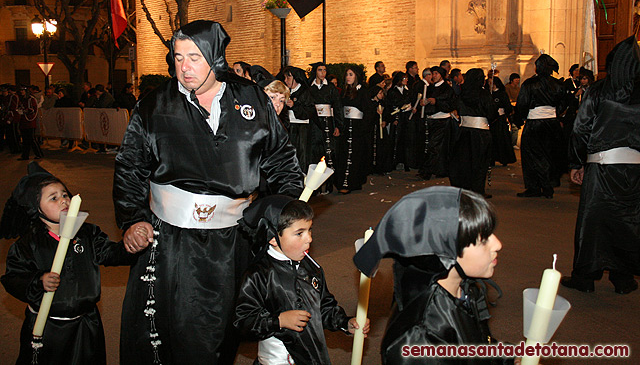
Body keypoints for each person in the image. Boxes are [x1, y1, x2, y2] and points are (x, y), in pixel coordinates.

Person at [113, 20, 304, 365]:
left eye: (194, 57)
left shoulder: (252, 99)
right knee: (181, 332)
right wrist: (132, 219)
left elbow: (282, 163)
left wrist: (282, 218)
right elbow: (130, 168)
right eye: (178, 57)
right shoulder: (154, 106)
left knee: (226, 328)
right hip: (172, 242)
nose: (184, 67)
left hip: (236, 240)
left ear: (215, 58)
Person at [353, 186, 513, 365]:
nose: (497, 244)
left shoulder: (465, 289)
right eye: (483, 240)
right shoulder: (420, 339)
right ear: (445, 252)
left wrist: (508, 359)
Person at [1, 162, 133, 365]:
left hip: (86, 323)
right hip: (49, 327)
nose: (63, 200)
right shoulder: (29, 243)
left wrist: (130, 247)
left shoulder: (86, 233)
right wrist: (38, 281)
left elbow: (109, 253)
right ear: (36, 208)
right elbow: (13, 277)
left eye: (65, 194)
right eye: (53, 198)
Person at [234, 196, 369, 364]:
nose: (309, 238)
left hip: (312, 357)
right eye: (299, 233)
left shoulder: (312, 268)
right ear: (273, 238)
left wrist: (345, 323)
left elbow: (324, 307)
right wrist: (279, 321)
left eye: (309, 230)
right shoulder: (259, 275)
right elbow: (243, 322)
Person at [561, 36, 640, 295]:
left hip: (602, 167)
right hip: (635, 170)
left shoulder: (598, 90)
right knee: (628, 221)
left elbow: (580, 128)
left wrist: (576, 162)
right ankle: (623, 276)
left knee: (593, 221)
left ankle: (586, 276)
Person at [514, 54, 565, 199]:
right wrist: (555, 113)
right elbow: (562, 103)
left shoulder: (529, 84)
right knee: (550, 155)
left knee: (531, 155)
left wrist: (519, 120)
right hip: (552, 124)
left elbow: (522, 104)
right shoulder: (558, 84)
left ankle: (534, 187)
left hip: (534, 124)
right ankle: (548, 185)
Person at [448, 68, 498, 197]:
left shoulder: (462, 94)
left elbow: (456, 107)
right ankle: (477, 190)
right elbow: (492, 113)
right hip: (480, 133)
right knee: (480, 163)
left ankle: (464, 188)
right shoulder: (484, 94)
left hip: (464, 131)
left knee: (464, 162)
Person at [308, 62, 343, 192]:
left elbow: (338, 107)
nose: (322, 73)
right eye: (320, 70)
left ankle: (330, 184)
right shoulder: (309, 88)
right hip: (314, 125)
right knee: (315, 154)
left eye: (324, 70)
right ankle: (315, 187)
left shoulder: (331, 89)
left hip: (328, 123)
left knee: (329, 153)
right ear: (315, 72)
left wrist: (338, 125)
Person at [417, 66, 455, 180]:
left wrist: (436, 102)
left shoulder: (447, 89)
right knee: (434, 146)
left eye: (436, 74)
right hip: (431, 120)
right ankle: (439, 170)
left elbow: (450, 105)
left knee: (435, 146)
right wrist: (422, 103)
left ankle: (428, 170)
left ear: (441, 75)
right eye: (432, 74)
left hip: (442, 120)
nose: (433, 76)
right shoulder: (429, 88)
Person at [334, 67, 368, 193]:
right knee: (343, 153)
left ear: (356, 76)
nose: (348, 77)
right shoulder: (344, 91)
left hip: (357, 128)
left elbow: (367, 111)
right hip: (346, 126)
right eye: (347, 75)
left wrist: (363, 128)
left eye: (350, 74)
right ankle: (343, 182)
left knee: (354, 154)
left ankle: (352, 182)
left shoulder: (363, 91)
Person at [283, 66, 315, 173]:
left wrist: (294, 106)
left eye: (288, 78)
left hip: (302, 129)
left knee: (302, 157)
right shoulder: (286, 91)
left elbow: (309, 112)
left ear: (295, 78)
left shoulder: (305, 92)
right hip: (289, 128)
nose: (285, 80)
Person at [386, 71, 412, 172]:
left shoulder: (406, 90)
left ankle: (405, 161)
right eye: (404, 79)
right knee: (395, 140)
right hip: (397, 118)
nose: (406, 80)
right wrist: (394, 119)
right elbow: (392, 105)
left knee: (405, 140)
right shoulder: (393, 91)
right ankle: (393, 162)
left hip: (405, 117)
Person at [489, 77, 516, 166]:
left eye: (491, 83)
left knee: (502, 139)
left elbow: (507, 106)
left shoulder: (502, 94)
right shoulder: (488, 94)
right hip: (491, 121)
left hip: (500, 120)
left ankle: (504, 159)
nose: (490, 85)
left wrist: (503, 110)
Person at [17, 85, 43, 160]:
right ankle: (25, 155)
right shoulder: (21, 99)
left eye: (23, 90)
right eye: (21, 90)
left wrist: (25, 111)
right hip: (23, 122)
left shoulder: (31, 99)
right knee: (25, 140)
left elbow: (34, 110)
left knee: (32, 139)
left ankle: (39, 154)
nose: (21, 92)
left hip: (30, 122)